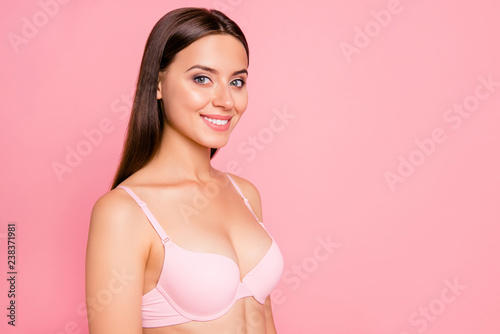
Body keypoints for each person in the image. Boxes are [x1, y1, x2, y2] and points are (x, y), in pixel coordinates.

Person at [85, 7, 284, 333]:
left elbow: (265, 321)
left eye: (237, 81)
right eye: (202, 78)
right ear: (159, 84)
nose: (225, 100)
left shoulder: (245, 194)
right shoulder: (124, 213)